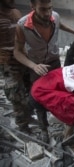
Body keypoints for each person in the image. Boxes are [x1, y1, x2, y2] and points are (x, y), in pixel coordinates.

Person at [14, 0, 74, 142]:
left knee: (60, 92)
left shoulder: (55, 16)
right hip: (37, 66)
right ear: (32, 7)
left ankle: (66, 124)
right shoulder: (22, 25)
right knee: (39, 98)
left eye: (50, 8)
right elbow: (17, 52)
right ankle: (44, 129)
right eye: (43, 9)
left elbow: (59, 24)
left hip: (54, 62)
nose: (48, 13)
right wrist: (33, 66)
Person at [0, 0, 35, 133]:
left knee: (30, 89)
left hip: (23, 58)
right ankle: (23, 126)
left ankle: (29, 116)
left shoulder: (16, 13)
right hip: (8, 63)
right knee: (16, 95)